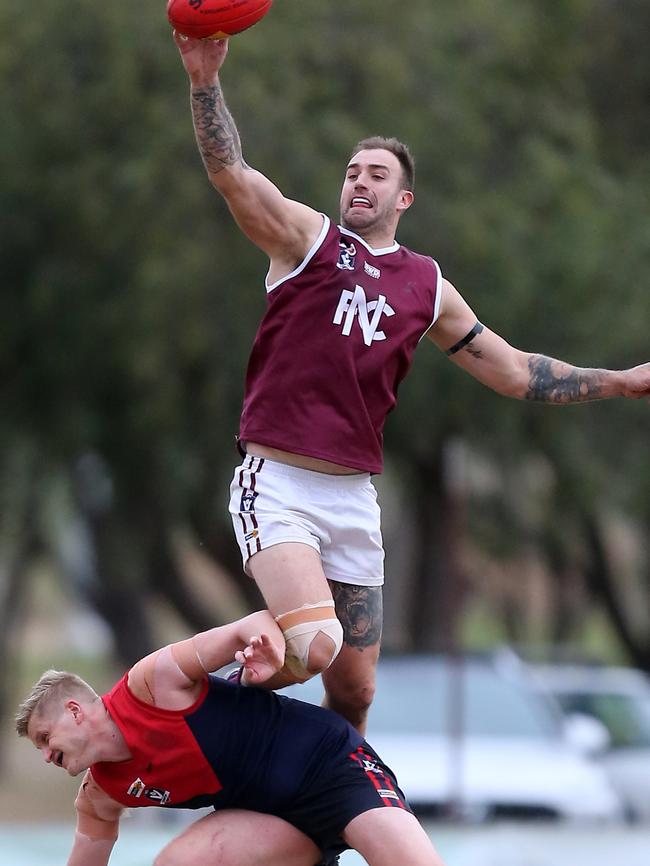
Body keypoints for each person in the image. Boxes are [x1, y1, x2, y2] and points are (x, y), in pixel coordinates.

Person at [173, 34, 650, 735]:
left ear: (404, 197)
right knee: (315, 644)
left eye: (376, 174)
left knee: (358, 691)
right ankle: (177, 691)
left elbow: (516, 372)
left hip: (352, 498)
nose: (358, 181)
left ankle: (334, 813)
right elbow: (232, 173)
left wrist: (624, 382)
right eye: (351, 171)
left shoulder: (426, 287)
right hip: (278, 485)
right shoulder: (308, 241)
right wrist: (204, 81)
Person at [16, 611, 447, 866]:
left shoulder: (151, 683)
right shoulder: (100, 794)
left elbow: (255, 624)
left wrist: (269, 654)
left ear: (74, 712)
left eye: (44, 737)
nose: (45, 755)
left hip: (329, 768)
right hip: (268, 819)